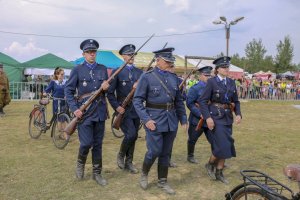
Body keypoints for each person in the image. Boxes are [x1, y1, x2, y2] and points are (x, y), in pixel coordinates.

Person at [133, 47, 187, 195]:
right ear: (158, 61)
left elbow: (179, 101)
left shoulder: (174, 78)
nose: (170, 63)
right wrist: (146, 119)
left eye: (171, 61)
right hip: (154, 121)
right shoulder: (147, 77)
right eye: (167, 61)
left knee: (165, 152)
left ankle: (162, 181)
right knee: (154, 151)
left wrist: (183, 119)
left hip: (171, 121)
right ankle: (144, 174)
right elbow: (137, 101)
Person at [65, 39, 110, 186]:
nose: (92, 54)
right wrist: (75, 109)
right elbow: (69, 91)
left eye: (94, 52)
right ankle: (80, 165)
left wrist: (106, 87)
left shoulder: (103, 69)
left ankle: (97, 173)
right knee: (85, 143)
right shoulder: (77, 69)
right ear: (83, 54)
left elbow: (105, 91)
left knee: (98, 145)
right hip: (84, 113)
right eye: (89, 52)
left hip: (100, 112)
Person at [199, 56, 242, 184]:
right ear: (217, 69)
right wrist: (207, 118)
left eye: (227, 66)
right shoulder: (212, 82)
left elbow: (236, 101)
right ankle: (213, 166)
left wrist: (238, 114)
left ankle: (217, 170)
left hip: (228, 117)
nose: (226, 69)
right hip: (216, 117)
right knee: (223, 145)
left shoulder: (231, 82)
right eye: (223, 67)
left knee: (225, 145)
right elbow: (202, 101)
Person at [107, 44, 143, 174]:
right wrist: (117, 107)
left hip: (136, 109)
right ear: (123, 56)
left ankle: (129, 162)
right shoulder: (117, 72)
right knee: (131, 134)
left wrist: (138, 87)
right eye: (129, 54)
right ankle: (121, 154)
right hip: (123, 109)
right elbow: (110, 93)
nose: (131, 57)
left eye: (133, 54)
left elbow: (144, 92)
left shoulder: (140, 72)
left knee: (134, 136)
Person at [186, 66, 212, 164]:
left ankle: (217, 157)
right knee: (192, 139)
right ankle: (190, 156)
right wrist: (199, 114)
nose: (208, 77)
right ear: (201, 75)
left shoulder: (212, 87)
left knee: (214, 140)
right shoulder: (195, 89)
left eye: (209, 75)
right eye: (206, 75)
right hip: (197, 120)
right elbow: (190, 103)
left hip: (210, 118)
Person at [43, 67, 67, 138]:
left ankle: (64, 134)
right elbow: (47, 90)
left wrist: (68, 95)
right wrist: (45, 93)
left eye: (63, 74)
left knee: (64, 118)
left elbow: (69, 90)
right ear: (57, 75)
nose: (62, 76)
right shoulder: (53, 82)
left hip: (64, 102)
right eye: (61, 74)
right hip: (56, 102)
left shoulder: (66, 82)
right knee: (59, 118)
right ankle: (63, 134)